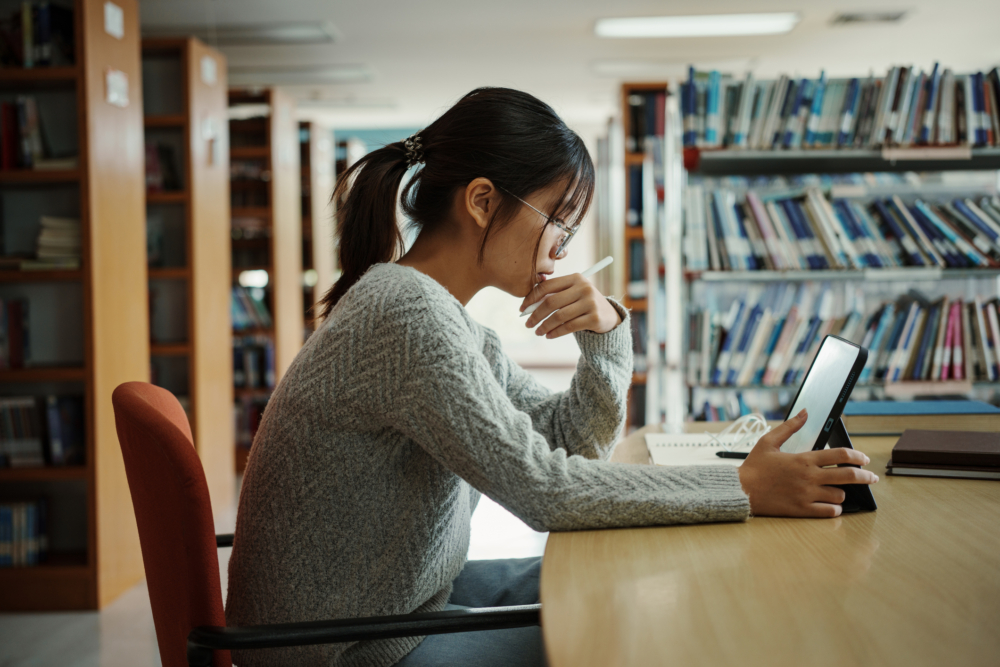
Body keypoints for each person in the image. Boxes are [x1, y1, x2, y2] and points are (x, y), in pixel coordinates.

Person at [225, 87, 878, 667]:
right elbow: (547, 491)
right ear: (482, 201)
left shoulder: (442, 318)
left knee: (620, 577)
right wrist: (740, 486)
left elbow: (572, 445)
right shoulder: (406, 315)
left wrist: (605, 334)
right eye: (557, 220)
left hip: (399, 604)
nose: (562, 248)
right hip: (345, 646)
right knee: (634, 634)